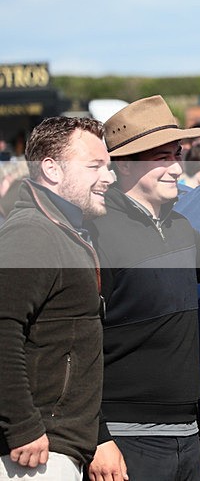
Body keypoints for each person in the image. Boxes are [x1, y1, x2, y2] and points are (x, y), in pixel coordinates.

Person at [86, 95, 200, 481]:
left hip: (185, 436)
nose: (176, 168)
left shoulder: (177, 226)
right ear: (125, 166)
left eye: (176, 153)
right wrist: (99, 439)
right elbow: (75, 344)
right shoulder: (97, 235)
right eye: (161, 158)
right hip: (124, 440)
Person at [0, 117, 114, 479]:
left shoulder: (67, 229)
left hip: (56, 446)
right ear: (50, 168)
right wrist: (22, 426)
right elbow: (3, 331)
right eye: (95, 166)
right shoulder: (31, 234)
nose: (108, 178)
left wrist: (98, 434)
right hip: (33, 453)